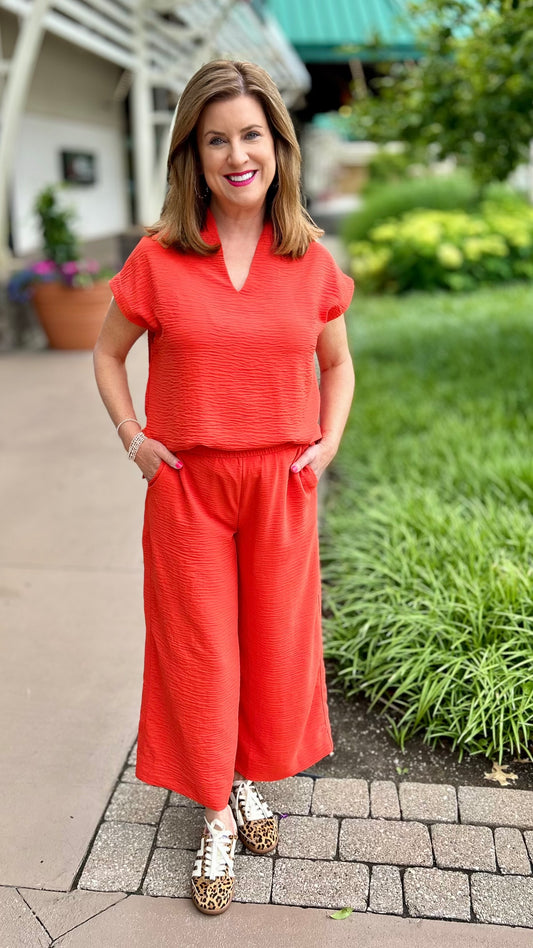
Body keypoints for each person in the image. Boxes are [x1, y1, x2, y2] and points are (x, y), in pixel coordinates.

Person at [93, 59, 354, 916]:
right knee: (202, 650)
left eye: (250, 135)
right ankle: (212, 810)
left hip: (281, 486)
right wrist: (134, 439)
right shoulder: (160, 258)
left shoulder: (306, 257)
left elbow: (338, 365)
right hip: (189, 489)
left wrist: (324, 448)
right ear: (193, 157)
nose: (235, 154)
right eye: (215, 140)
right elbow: (106, 353)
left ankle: (245, 777)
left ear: (276, 146)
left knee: (269, 648)